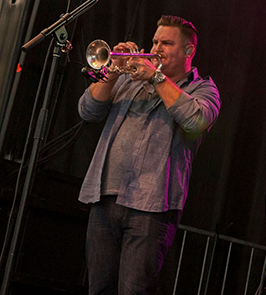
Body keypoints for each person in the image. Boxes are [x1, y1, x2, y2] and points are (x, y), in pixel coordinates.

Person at [78, 15, 221, 295]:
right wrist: (113, 72)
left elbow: (196, 121)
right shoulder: (129, 81)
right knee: (98, 289)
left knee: (135, 290)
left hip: (153, 205)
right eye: (155, 41)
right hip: (105, 194)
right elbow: (88, 110)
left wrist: (156, 78)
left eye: (166, 43)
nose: (156, 48)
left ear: (188, 51)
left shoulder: (204, 89)